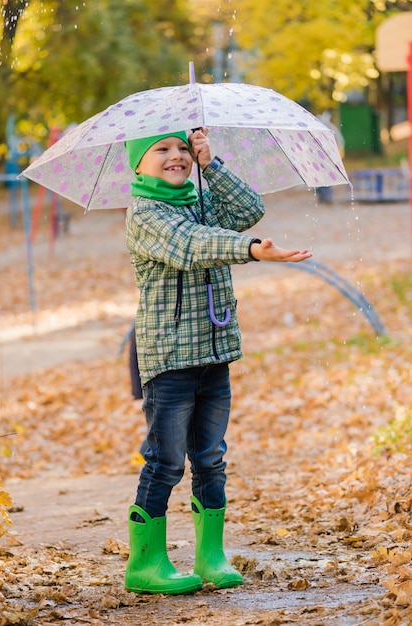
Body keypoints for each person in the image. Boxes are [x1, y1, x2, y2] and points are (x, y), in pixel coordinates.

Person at [124, 128, 311, 595]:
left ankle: (211, 555)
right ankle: (145, 563)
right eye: (162, 150)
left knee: (210, 458)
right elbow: (191, 245)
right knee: (165, 461)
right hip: (169, 357)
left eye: (183, 148)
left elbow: (249, 210)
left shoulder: (199, 198)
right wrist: (251, 250)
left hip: (214, 350)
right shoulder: (146, 214)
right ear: (138, 163)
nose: (176, 157)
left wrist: (213, 166)